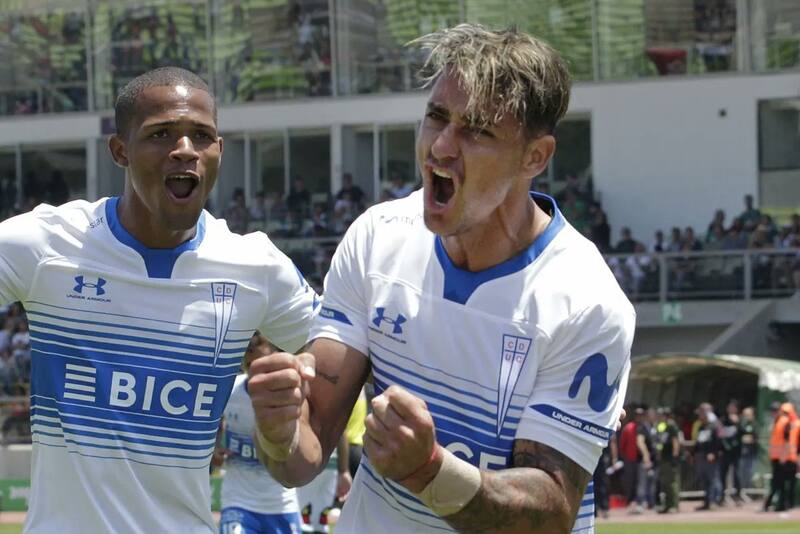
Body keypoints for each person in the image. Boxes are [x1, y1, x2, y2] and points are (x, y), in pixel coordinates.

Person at [248, 24, 635, 534]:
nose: (442, 147)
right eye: (436, 117)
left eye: (477, 131)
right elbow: (305, 451)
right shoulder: (377, 238)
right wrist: (279, 430)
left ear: (535, 157)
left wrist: (429, 470)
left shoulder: (589, 302)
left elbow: (552, 510)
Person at [0, 67, 319, 533]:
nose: (185, 149)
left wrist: (288, 420)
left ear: (219, 150)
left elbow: (342, 359)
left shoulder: (257, 267)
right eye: (161, 133)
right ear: (120, 151)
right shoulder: (47, 245)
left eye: (201, 136)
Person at [215, 336, 304, 534]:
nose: (256, 371)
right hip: (238, 502)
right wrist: (215, 448)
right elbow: (215, 422)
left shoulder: (292, 395)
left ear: (276, 355)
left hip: (282, 505)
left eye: (261, 363)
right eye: (250, 365)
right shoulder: (229, 390)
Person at [656, 407, 681, 514]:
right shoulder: (663, 427)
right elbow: (661, 443)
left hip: (670, 459)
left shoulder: (672, 426)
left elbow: (675, 441)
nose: (659, 417)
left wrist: (674, 456)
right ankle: (667, 505)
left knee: (672, 483)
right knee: (665, 483)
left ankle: (674, 505)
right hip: (664, 458)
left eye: (661, 415)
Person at [738, 406, 758, 492]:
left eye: (747, 415)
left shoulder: (755, 424)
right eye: (744, 415)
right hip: (742, 453)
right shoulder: (741, 425)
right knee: (741, 474)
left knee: (750, 473)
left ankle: (750, 492)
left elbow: (756, 437)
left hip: (752, 454)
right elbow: (738, 436)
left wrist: (750, 439)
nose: (745, 417)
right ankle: (742, 492)